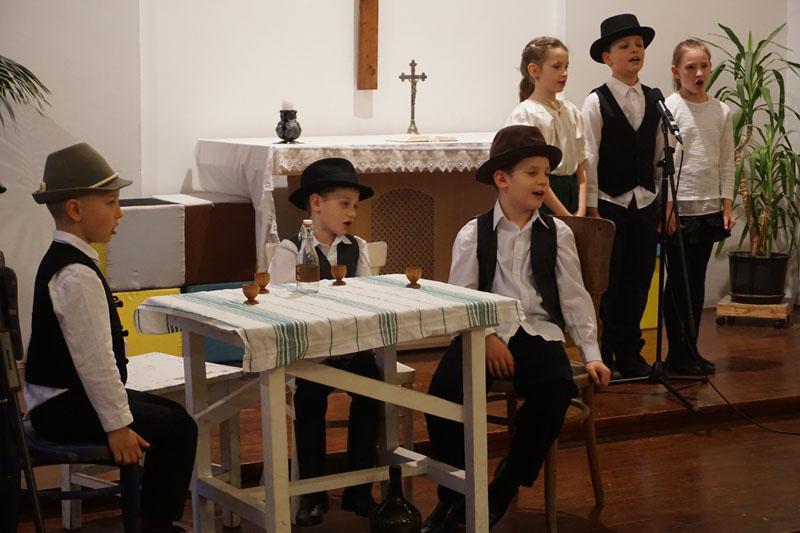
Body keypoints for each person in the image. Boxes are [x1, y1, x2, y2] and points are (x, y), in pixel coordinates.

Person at [422, 126, 611, 533]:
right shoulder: (473, 234)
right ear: (502, 179)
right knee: (443, 393)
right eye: (532, 172)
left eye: (546, 173)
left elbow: (574, 297)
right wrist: (487, 337)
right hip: (482, 332)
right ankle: (454, 497)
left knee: (556, 388)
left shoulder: (558, 233)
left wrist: (592, 354)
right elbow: (461, 298)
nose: (543, 181)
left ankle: (504, 485)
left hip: (537, 332)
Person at [24, 143, 197, 533]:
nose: (120, 213)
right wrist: (117, 426)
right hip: (62, 408)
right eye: (111, 202)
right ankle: (155, 526)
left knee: (174, 416)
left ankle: (152, 519)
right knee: (178, 429)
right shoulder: (75, 274)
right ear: (75, 209)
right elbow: (95, 362)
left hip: (62, 401)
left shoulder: (68, 260)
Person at [269, 157, 380, 526]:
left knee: (373, 388)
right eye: (344, 204)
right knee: (309, 398)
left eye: (355, 206)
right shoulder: (290, 250)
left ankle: (359, 487)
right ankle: (312, 493)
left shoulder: (357, 246)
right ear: (316, 203)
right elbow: (280, 307)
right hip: (311, 352)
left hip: (350, 346)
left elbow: (366, 297)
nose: (352, 213)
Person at [581, 13, 661, 379]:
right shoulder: (596, 101)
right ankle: (607, 353)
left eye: (639, 45)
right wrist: (592, 206)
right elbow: (590, 157)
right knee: (610, 281)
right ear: (607, 57)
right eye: (625, 46)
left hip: (645, 202)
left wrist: (661, 199)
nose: (634, 50)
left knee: (639, 278)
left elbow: (660, 153)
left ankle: (631, 352)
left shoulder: (655, 99)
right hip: (610, 204)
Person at [662, 39, 735, 375]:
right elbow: (662, 160)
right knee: (678, 281)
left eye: (703, 66)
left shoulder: (721, 111)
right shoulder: (670, 107)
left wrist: (726, 203)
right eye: (690, 67)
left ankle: (691, 350)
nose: (698, 73)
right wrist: (668, 205)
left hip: (708, 207)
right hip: (680, 208)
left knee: (696, 280)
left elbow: (726, 161)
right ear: (676, 71)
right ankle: (676, 354)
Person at [506, 36, 588, 217]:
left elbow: (581, 164)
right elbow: (532, 172)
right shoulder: (526, 114)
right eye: (557, 67)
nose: (564, 73)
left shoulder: (571, 111)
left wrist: (581, 210)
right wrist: (564, 214)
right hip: (542, 199)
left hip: (572, 196)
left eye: (566, 66)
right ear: (534, 70)